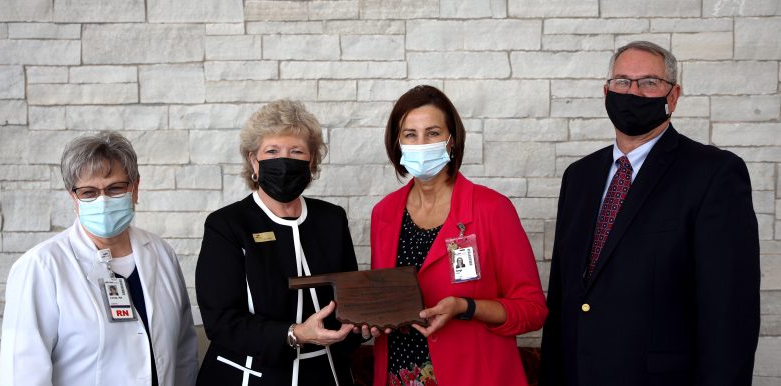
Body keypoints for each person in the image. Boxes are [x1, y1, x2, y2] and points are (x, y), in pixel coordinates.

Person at [540, 41, 760, 386]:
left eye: (649, 83)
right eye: (623, 82)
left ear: (673, 97)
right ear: (606, 92)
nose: (633, 92)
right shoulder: (579, 176)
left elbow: (730, 309)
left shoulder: (714, 174)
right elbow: (565, 293)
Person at [368, 85, 548, 386]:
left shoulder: (492, 209)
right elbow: (386, 298)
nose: (421, 142)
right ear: (397, 143)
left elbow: (532, 310)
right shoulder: (384, 213)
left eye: (433, 133)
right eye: (410, 134)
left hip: (474, 375)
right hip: (397, 374)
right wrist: (370, 318)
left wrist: (467, 307)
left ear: (452, 142)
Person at [0, 131, 198, 386]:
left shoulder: (161, 253)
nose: (103, 200)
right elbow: (22, 374)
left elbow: (183, 351)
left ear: (135, 188)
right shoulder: (41, 266)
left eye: (115, 188)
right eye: (89, 192)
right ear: (74, 197)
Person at [195, 100, 361, 386]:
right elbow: (220, 321)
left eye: (296, 152)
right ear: (253, 161)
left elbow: (350, 299)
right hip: (249, 375)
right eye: (272, 151)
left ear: (311, 161)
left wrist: (366, 324)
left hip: (325, 375)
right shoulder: (227, 225)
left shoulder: (331, 219)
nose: (284, 161)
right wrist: (294, 333)